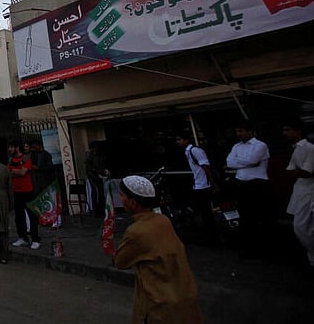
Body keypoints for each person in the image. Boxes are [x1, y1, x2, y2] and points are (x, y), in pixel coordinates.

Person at [114, 175, 203, 323]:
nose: (120, 199)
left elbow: (120, 261)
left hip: (160, 304)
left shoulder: (136, 231)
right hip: (183, 296)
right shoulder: (163, 220)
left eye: (122, 195)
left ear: (133, 202)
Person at [282, 120, 314, 266]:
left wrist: (302, 173)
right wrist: (303, 173)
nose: (284, 133)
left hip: (313, 193)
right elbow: (291, 171)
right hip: (302, 193)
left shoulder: (311, 149)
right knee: (304, 228)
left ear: (298, 131)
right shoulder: (297, 150)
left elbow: (306, 172)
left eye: (287, 130)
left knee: (308, 228)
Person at [225, 121, 274, 258]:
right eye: (237, 131)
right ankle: (249, 249)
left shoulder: (260, 145)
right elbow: (229, 162)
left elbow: (253, 160)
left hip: (258, 184)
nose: (239, 134)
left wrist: (240, 162)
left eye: (241, 131)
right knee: (246, 216)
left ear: (249, 131)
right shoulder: (236, 146)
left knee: (263, 216)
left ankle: (268, 248)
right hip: (241, 183)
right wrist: (245, 163)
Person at [175, 133, 218, 242]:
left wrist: (212, 182)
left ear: (186, 140)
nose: (178, 142)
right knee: (203, 211)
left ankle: (212, 235)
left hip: (204, 185)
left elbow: (205, 166)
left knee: (206, 212)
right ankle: (208, 234)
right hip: (198, 184)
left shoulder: (194, 151)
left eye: (180, 139)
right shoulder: (188, 152)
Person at [7, 139, 40, 249]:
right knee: (19, 216)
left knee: (32, 215)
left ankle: (35, 239)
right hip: (16, 191)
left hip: (28, 190)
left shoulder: (26, 158)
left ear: (17, 148)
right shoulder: (11, 160)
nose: (10, 149)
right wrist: (17, 171)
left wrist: (15, 171)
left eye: (12, 147)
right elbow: (10, 172)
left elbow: (23, 172)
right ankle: (22, 237)